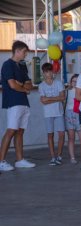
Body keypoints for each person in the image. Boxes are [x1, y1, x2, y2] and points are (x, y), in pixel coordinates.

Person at [0, 40, 35, 172]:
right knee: (11, 131)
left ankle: (20, 160)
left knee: (20, 131)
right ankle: (1, 161)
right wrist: (23, 87)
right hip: (13, 102)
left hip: (24, 102)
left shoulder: (22, 66)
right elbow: (12, 85)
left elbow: (29, 85)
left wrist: (21, 85)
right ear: (17, 51)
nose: (26, 54)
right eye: (24, 52)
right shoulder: (7, 65)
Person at [38, 62, 66, 166]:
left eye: (50, 71)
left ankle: (59, 155)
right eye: (46, 72)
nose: (48, 74)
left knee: (62, 134)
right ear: (43, 73)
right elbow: (43, 101)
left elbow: (63, 97)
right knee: (50, 135)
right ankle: (52, 157)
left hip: (59, 112)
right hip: (48, 113)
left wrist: (48, 98)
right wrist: (56, 98)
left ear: (52, 72)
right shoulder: (41, 86)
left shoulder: (58, 83)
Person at [64, 74, 81, 164]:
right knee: (71, 138)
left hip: (79, 114)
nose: (75, 83)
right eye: (73, 81)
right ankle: (72, 157)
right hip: (69, 114)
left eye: (77, 81)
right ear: (71, 82)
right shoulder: (67, 91)